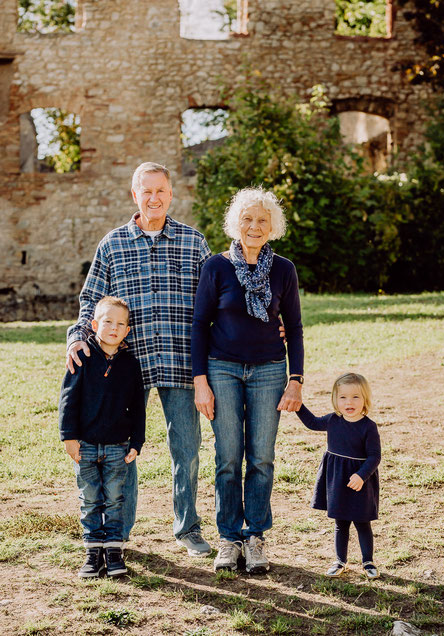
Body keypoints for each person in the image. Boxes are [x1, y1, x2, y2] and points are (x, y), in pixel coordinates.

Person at [66, 162, 212, 557]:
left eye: (160, 191)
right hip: (126, 369)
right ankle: (118, 532)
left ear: (171, 194)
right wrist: (77, 337)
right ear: (135, 195)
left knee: (187, 450)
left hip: (182, 364)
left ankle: (188, 528)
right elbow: (89, 302)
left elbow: (219, 302)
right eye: (146, 191)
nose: (154, 198)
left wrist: (268, 324)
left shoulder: (194, 242)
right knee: (122, 450)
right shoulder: (112, 245)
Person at [192, 187, 304, 573]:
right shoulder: (216, 267)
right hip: (221, 369)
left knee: (261, 457)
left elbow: (295, 327)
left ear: (273, 227)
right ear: (234, 223)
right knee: (227, 457)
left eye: (261, 220)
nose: (254, 226)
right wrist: (200, 380)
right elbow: (199, 326)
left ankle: (255, 536)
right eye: (247, 218)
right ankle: (229, 537)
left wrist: (296, 378)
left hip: (270, 370)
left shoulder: (284, 269)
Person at [59, 296, 146, 578]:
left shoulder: (131, 364)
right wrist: (69, 437)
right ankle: (92, 552)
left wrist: (137, 441)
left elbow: (138, 408)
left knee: (115, 498)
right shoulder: (82, 357)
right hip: (84, 445)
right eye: (107, 321)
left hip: (117, 447)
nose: (113, 327)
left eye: (120, 324)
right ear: (94, 324)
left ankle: (114, 550)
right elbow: (68, 399)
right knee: (90, 499)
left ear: (127, 331)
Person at [296, 372, 381, 579]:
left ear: (365, 400)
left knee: (362, 522)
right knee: (340, 522)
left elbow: (374, 456)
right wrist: (298, 405)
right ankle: (340, 561)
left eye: (355, 397)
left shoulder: (368, 427)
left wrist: (362, 476)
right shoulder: (333, 420)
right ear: (335, 399)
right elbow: (313, 423)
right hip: (337, 478)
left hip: (360, 481)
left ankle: (368, 561)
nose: (348, 402)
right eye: (343, 397)